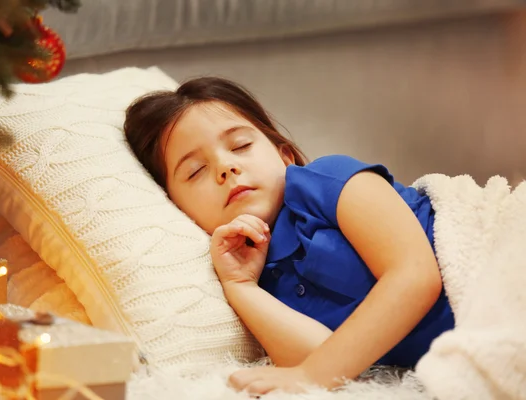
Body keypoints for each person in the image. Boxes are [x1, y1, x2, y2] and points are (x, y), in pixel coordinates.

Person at [124, 77, 455, 394]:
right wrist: (240, 287)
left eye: (240, 145)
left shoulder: (325, 180)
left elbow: (415, 275)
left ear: (286, 156)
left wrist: (311, 375)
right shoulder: (259, 274)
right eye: (196, 171)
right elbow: (331, 361)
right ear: (176, 208)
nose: (226, 168)